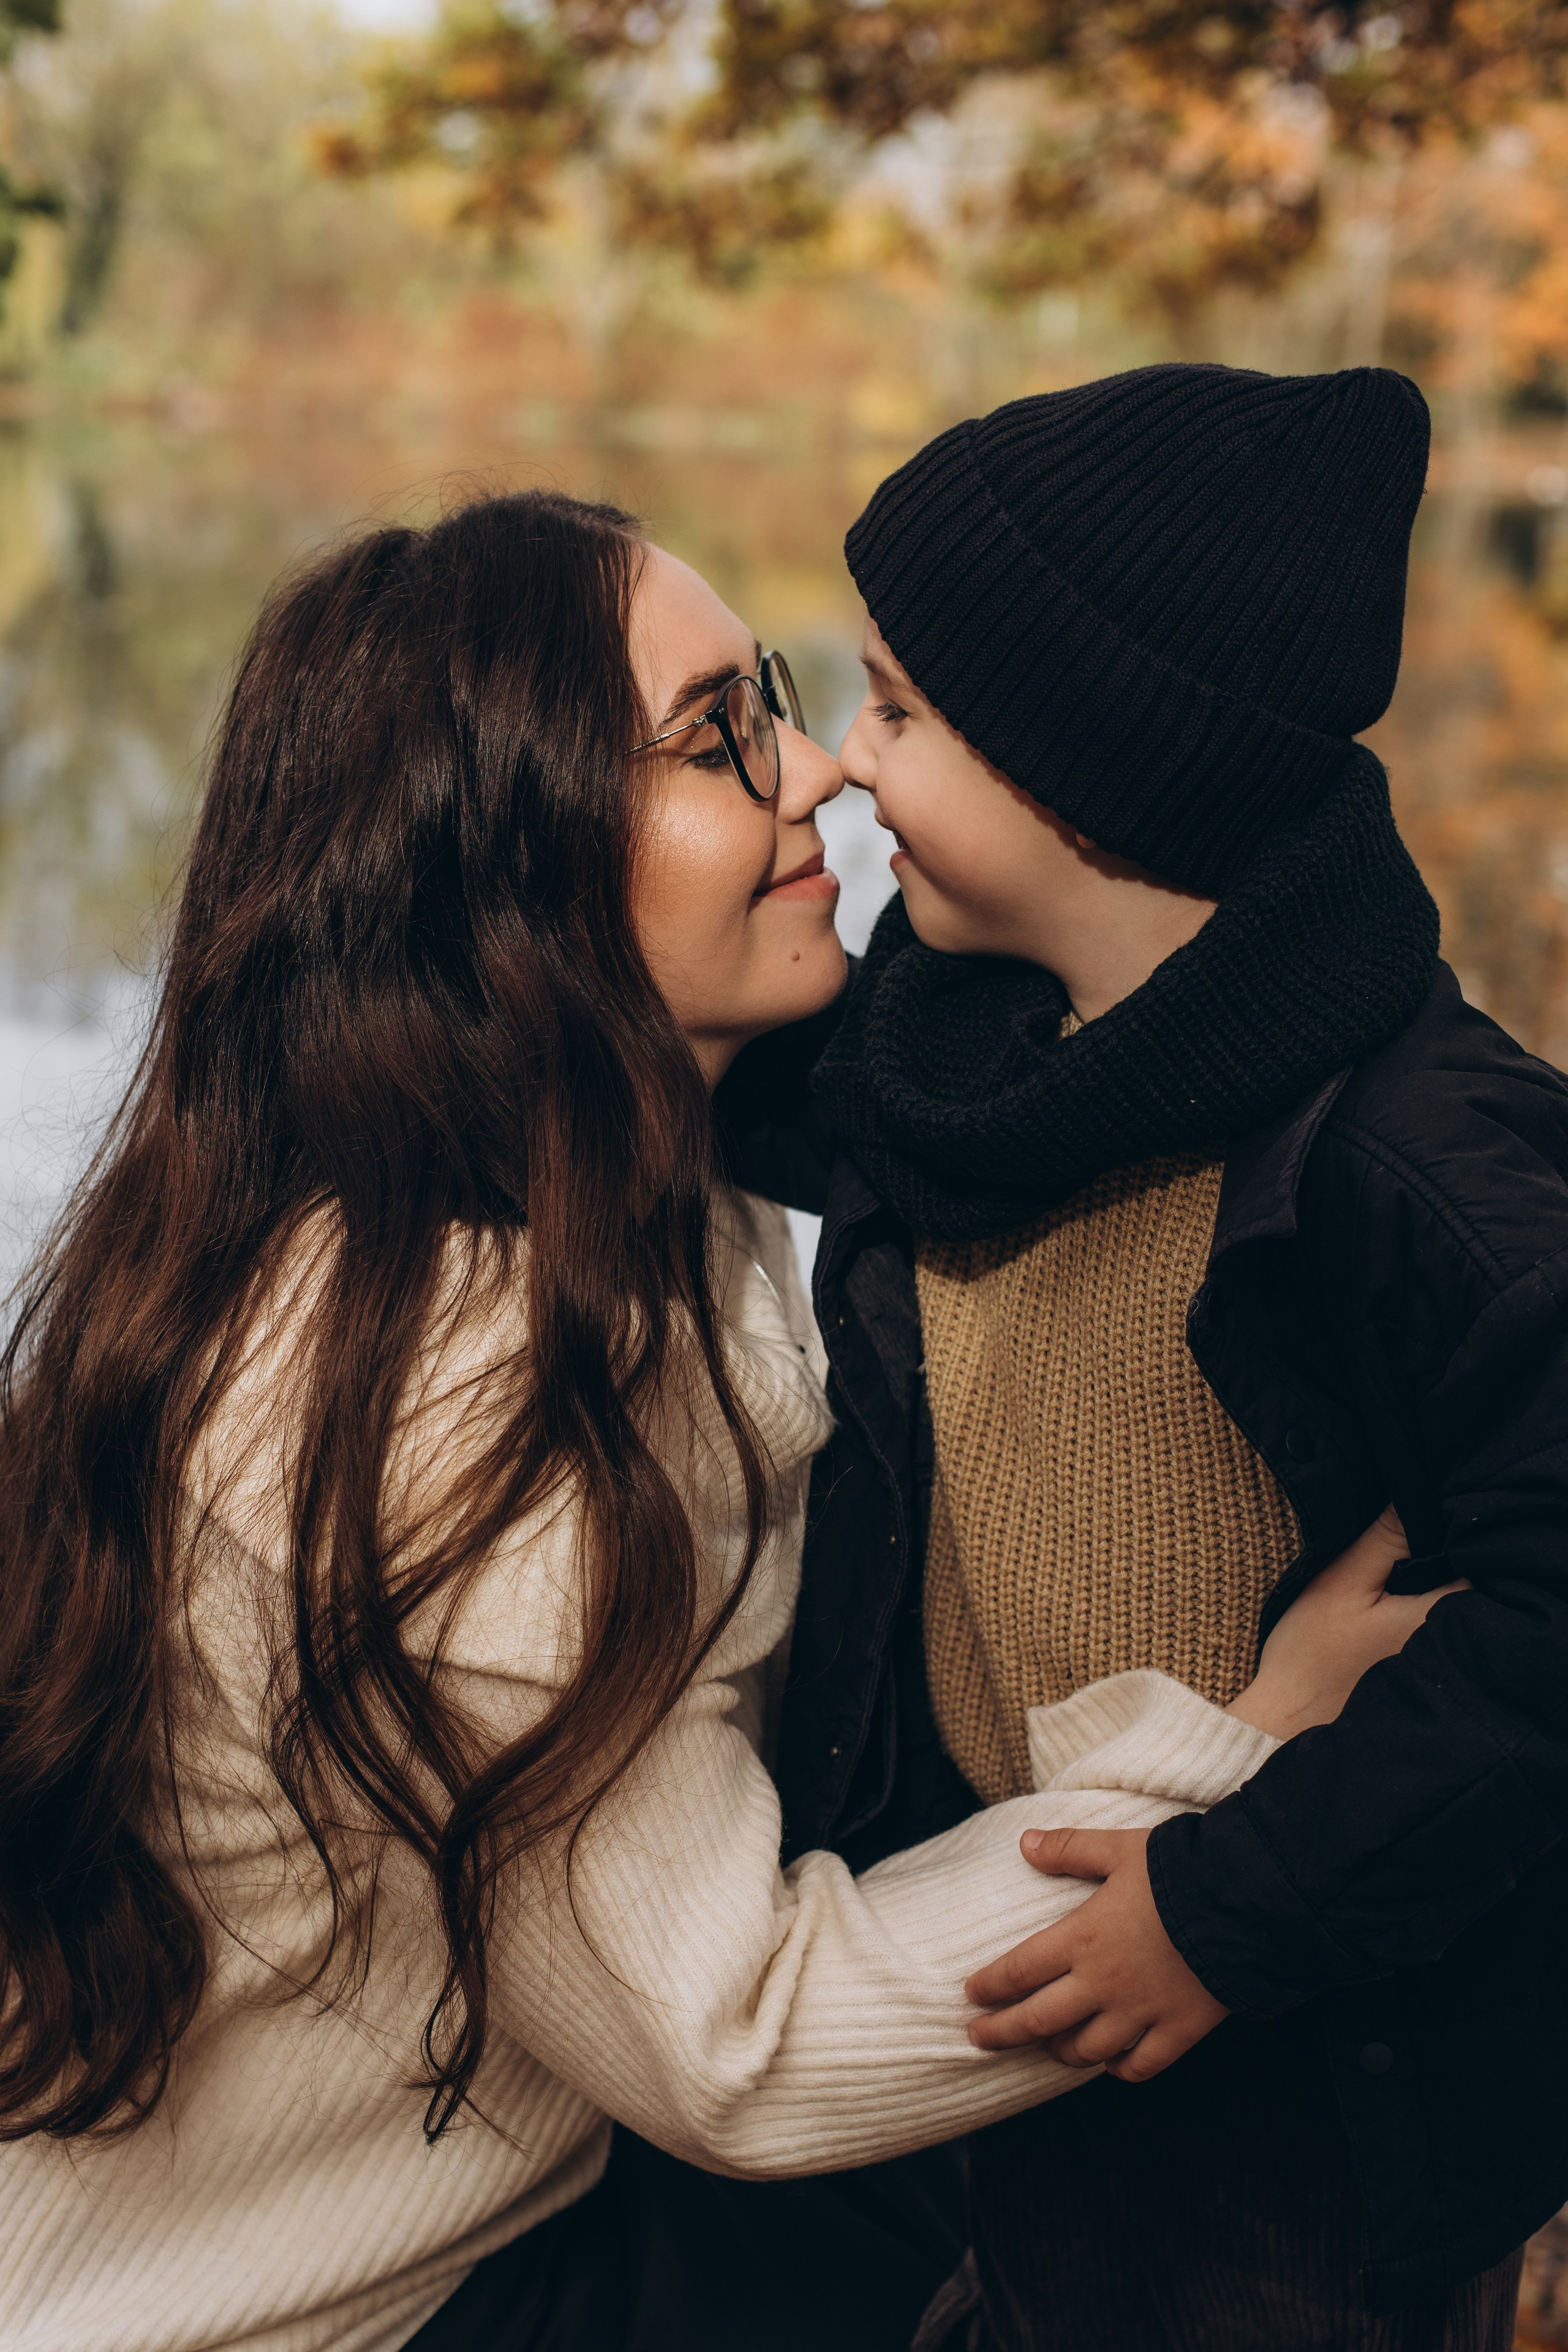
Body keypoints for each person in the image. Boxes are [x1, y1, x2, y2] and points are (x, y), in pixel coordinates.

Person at [0, 488, 1427, 2352]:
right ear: (502, 858)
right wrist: (1250, 1749)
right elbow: (738, 2046)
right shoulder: (463, 1383)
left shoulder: (420, 1196)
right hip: (328, 2314)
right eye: (717, 732)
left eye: (781, 694)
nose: (822, 764)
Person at [719, 362, 1568, 2351]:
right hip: (1015, 1965)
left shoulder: (1422, 1164)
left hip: (1297, 2060)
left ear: (1097, 766)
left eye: (903, 710)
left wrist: (1232, 1909)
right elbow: (674, 1078)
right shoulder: (948, 1055)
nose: (845, 768)